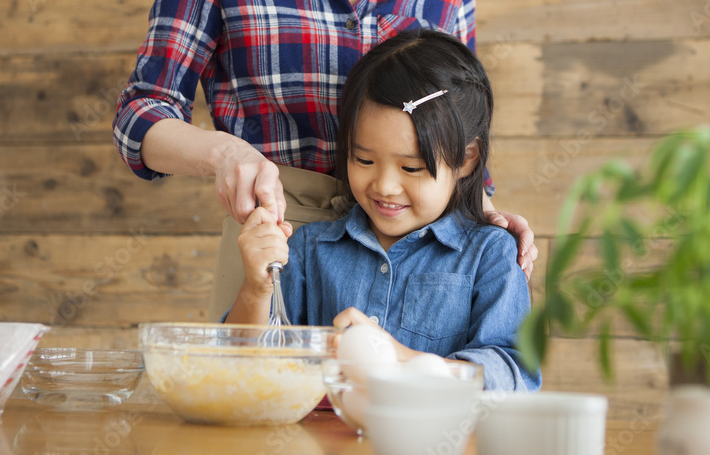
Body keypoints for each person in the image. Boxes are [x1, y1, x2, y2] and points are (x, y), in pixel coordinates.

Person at [112, 0, 538, 322]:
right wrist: (227, 155)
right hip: (274, 251)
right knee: (260, 401)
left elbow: (455, 124)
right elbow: (140, 116)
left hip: (411, 263)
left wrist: (488, 214)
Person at [226, 30, 540, 391]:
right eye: (363, 159)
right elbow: (240, 370)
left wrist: (404, 360)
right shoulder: (308, 248)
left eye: (411, 168)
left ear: (467, 158)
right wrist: (256, 289)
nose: (384, 186)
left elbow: (516, 373)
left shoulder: (490, 255)